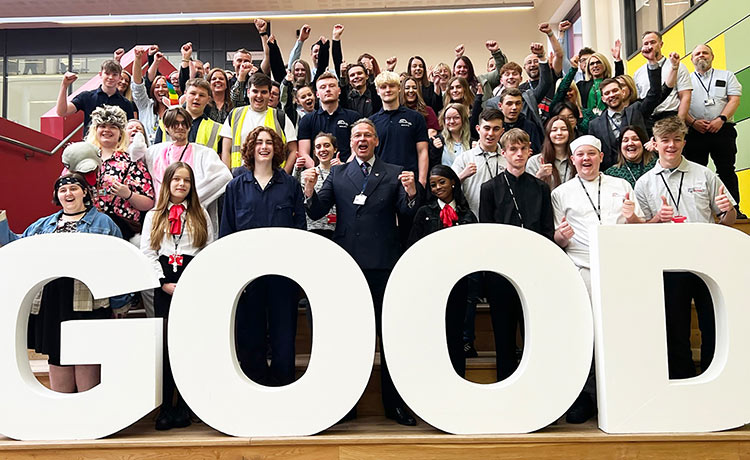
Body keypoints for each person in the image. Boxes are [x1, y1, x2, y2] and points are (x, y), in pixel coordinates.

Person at [302, 118, 421, 426]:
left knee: (389, 336)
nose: (362, 140)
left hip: (384, 263)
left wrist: (411, 193)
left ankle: (394, 405)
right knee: (349, 336)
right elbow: (316, 211)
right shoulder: (339, 173)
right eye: (357, 136)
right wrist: (311, 191)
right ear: (350, 142)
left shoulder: (394, 173)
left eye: (368, 135)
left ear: (376, 141)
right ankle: (346, 403)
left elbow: (407, 215)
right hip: (348, 265)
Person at [0, 174, 125, 394]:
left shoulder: (104, 223)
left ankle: (89, 418)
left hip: (87, 300)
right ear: (58, 196)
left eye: (74, 188)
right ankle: (65, 418)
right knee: (56, 355)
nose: (68, 193)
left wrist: (119, 303)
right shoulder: (43, 225)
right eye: (63, 190)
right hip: (53, 299)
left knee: (87, 354)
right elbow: (17, 247)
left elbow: (119, 264)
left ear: (85, 192)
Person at [634, 116, 735, 380]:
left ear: (684, 142)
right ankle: (682, 378)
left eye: (676, 140)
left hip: (706, 262)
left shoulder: (705, 174)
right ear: (654, 144)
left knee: (712, 323)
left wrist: (728, 211)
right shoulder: (645, 183)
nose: (671, 145)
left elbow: (727, 220)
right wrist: (658, 219)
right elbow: (640, 229)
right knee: (675, 326)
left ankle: (715, 376)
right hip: (668, 264)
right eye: (665, 140)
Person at [552, 135, 644, 424]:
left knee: (620, 331)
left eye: (591, 153)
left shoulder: (622, 185)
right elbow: (557, 238)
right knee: (587, 335)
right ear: (573, 159)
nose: (586, 159)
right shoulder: (561, 193)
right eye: (580, 155)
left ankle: (622, 393)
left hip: (620, 269)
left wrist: (632, 219)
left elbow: (638, 227)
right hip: (583, 269)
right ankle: (588, 397)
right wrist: (561, 237)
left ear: (601, 156)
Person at [221, 126, 306, 386]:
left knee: (284, 335)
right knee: (251, 335)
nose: (264, 147)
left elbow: (300, 230)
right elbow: (227, 231)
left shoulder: (290, 185)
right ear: (250, 148)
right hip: (248, 277)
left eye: (269, 142)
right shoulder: (235, 187)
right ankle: (255, 386)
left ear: (277, 148)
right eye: (259, 142)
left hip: (283, 276)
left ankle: (283, 387)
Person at [140, 162, 213, 431]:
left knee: (188, 344)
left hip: (190, 280)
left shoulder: (200, 214)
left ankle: (184, 405)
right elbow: (147, 251)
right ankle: (166, 407)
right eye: (177, 180)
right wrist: (163, 282)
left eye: (187, 181)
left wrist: (191, 282)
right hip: (165, 284)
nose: (181, 185)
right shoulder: (155, 215)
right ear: (168, 183)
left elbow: (208, 249)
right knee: (166, 346)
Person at [479, 128, 554, 382]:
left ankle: (537, 386)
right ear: (504, 153)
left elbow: (547, 230)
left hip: (533, 270)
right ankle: (505, 387)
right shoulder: (489, 188)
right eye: (513, 149)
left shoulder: (541, 189)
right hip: (502, 272)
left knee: (535, 332)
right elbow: (486, 232)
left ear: (529, 151)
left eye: (523, 149)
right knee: (504, 333)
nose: (519, 154)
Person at [408, 164, 476, 377]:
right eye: (433, 185)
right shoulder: (424, 213)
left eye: (442, 182)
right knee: (433, 331)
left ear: (453, 182)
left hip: (458, 283)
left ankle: (458, 376)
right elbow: (414, 247)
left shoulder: (466, 214)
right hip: (431, 283)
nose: (437, 188)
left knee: (455, 332)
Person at [142, 107, 232, 230]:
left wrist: (191, 199)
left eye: (184, 123)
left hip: (192, 217)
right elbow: (135, 160)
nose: (180, 127)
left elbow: (223, 177)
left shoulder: (204, 153)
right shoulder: (155, 152)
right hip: (161, 215)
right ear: (166, 127)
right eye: (175, 124)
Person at [684, 44, 745, 218]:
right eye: (697, 54)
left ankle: (733, 210)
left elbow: (734, 100)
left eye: (705, 53)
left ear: (712, 56)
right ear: (692, 59)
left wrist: (721, 119)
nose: (701, 56)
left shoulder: (727, 76)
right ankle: (698, 211)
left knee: (726, 170)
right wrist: (693, 122)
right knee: (695, 172)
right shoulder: (686, 80)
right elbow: (681, 105)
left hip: (723, 130)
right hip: (696, 131)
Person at [86, 105, 155, 241]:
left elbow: (148, 202)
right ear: (96, 130)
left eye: (113, 126)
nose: (107, 130)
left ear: (120, 132)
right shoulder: (84, 157)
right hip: (88, 227)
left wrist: (128, 194)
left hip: (121, 231)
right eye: (102, 126)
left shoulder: (131, 161)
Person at [587, 50, 665, 169]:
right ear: (603, 98)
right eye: (607, 93)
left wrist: (652, 63)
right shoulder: (594, 125)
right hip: (613, 175)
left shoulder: (637, 110)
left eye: (615, 91)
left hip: (643, 169)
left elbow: (654, 94)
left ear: (622, 92)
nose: (611, 95)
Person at [221, 73, 298, 172]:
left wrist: (284, 176)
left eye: (264, 92)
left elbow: (293, 150)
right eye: (255, 91)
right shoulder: (235, 115)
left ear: (270, 94)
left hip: (273, 179)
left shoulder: (280, 117)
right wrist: (228, 178)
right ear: (248, 92)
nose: (259, 96)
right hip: (239, 179)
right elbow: (226, 150)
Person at [370, 71, 429, 187]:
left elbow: (422, 151)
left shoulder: (416, 117)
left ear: (399, 88)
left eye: (392, 86)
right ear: (377, 91)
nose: (388, 90)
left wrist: (422, 180)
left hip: (409, 179)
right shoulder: (372, 122)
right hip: (380, 182)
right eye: (383, 87)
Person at [297, 72, 360, 164]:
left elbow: (356, 150)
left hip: (347, 172)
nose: (328, 90)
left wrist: (345, 168)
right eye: (323, 87)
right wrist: (318, 171)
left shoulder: (353, 117)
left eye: (332, 86)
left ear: (339, 90)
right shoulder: (307, 120)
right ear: (317, 94)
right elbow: (303, 152)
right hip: (317, 174)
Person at [56, 59, 135, 133]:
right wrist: (64, 86)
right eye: (107, 73)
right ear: (100, 74)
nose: (110, 77)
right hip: (90, 145)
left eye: (114, 75)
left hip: (116, 145)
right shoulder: (86, 97)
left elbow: (128, 128)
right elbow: (62, 112)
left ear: (119, 78)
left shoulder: (126, 103)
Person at [154, 78, 223, 155]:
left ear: (208, 99)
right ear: (185, 95)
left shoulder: (217, 129)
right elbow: (156, 154)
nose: (197, 98)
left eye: (202, 95)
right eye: (193, 93)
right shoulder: (165, 123)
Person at [635, 31, 692, 122]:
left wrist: (680, 121)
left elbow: (685, 96)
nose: (649, 46)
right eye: (646, 43)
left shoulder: (677, 65)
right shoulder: (638, 73)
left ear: (661, 44)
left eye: (653, 42)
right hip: (648, 119)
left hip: (670, 116)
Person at [294, 132, 340, 238]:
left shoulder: (344, 172)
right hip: (312, 229)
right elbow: (293, 194)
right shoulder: (307, 174)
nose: (322, 149)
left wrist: (344, 170)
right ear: (314, 152)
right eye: (318, 147)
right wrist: (296, 170)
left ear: (335, 149)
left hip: (338, 230)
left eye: (327, 145)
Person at [131, 47, 169, 144]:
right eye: (157, 87)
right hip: (146, 154)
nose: (161, 89)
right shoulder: (145, 105)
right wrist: (138, 59)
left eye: (164, 86)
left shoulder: (175, 109)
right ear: (152, 90)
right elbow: (137, 86)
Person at [525, 116, 575, 190]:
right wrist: (539, 177)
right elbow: (528, 192)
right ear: (548, 134)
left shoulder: (577, 160)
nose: (559, 133)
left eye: (564, 129)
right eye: (554, 130)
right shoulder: (535, 161)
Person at [497, 88, 544, 154]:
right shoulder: (495, 128)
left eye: (518, 103)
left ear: (522, 105)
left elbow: (537, 153)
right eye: (509, 104)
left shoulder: (530, 127)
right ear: (500, 106)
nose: (514, 107)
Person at [430, 103, 471, 170]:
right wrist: (435, 150)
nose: (452, 121)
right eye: (448, 118)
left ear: (463, 119)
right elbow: (432, 168)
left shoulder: (472, 143)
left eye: (456, 118)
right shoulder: (436, 141)